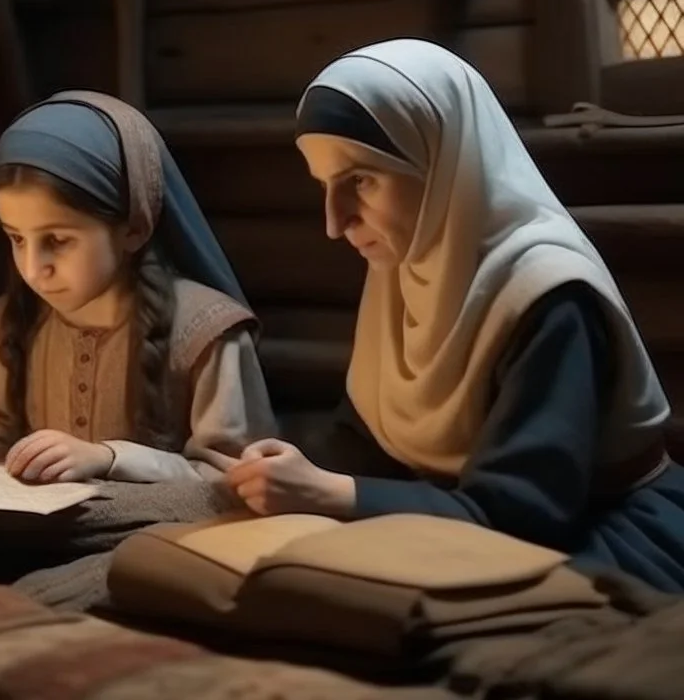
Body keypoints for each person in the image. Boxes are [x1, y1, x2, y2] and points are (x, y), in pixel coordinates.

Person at [225, 38, 684, 592]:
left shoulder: (550, 295)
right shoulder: (412, 263)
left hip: (595, 539)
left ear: (443, 162)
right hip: (461, 527)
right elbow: (367, 438)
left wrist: (329, 492)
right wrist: (287, 464)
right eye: (324, 185)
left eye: (362, 180)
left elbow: (524, 514)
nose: (335, 220)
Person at [0, 89, 276, 484]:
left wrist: (108, 458)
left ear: (134, 228)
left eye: (57, 240)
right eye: (17, 239)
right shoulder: (13, 322)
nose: (33, 269)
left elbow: (240, 479)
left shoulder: (205, 334)